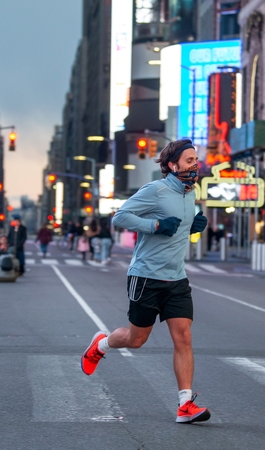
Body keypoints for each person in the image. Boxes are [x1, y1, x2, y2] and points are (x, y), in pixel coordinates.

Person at [81, 139, 210, 424]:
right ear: (173, 165)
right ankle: (100, 345)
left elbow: (181, 226)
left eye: (195, 160)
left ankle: (185, 404)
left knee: (184, 337)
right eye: (189, 161)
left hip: (176, 278)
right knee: (136, 339)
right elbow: (120, 217)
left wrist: (196, 225)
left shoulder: (191, 193)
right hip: (146, 277)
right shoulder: (155, 190)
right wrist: (154, 226)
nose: (194, 166)